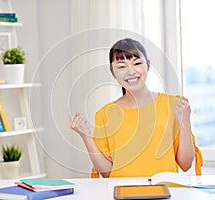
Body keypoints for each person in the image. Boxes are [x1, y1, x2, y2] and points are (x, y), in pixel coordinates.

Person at [69, 38, 203, 178]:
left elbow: (186, 164)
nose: (130, 72)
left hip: (165, 192)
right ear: (112, 72)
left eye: (137, 63)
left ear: (148, 66)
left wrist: (185, 120)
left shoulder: (173, 105)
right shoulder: (104, 114)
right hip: (123, 193)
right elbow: (107, 172)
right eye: (122, 66)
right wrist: (85, 136)